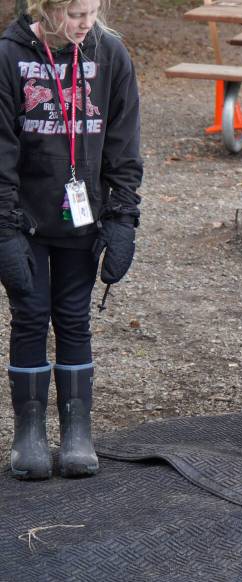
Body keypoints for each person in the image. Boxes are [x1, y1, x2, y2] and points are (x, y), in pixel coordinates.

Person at [0, 0, 142, 480]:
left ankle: (77, 431)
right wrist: (4, 226)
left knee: (74, 318)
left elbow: (124, 142)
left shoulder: (110, 54)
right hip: (27, 219)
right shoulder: (9, 56)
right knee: (30, 315)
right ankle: (30, 432)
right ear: (46, 7)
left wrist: (122, 216)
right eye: (76, 14)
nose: (87, 24)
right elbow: (1, 148)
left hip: (83, 218)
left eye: (92, 12)